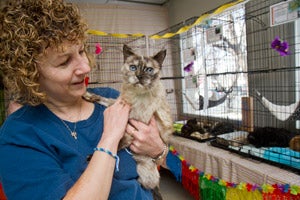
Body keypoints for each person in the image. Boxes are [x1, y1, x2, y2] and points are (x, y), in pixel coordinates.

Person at [0, 0, 167, 199]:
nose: (86, 67)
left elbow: (157, 161)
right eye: (64, 62)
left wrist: (158, 149)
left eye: (81, 51)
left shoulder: (111, 98)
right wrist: (110, 138)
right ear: (29, 75)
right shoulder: (20, 135)